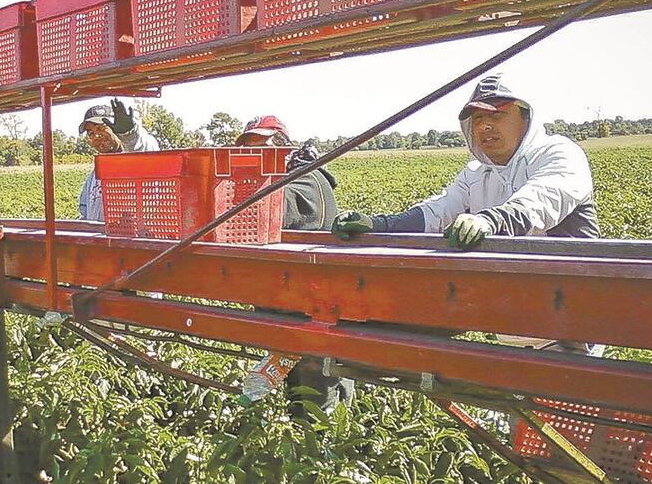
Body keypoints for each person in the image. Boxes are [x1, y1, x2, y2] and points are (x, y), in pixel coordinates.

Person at [332, 73, 600, 353]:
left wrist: (489, 220)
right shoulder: (476, 174)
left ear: (525, 118)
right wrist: (378, 225)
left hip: (570, 329)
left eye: (497, 116)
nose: (485, 126)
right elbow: (438, 212)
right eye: (477, 119)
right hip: (515, 325)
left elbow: (539, 202)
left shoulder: (558, 154)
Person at [235, 115, 354, 413]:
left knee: (320, 396)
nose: (253, 155)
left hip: (316, 312)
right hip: (289, 311)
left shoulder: (309, 180)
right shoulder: (276, 179)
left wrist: (229, 191)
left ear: (284, 148)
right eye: (248, 148)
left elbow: (277, 209)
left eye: (262, 146)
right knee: (298, 391)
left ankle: (330, 448)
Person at [78, 98, 159, 221]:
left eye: (101, 128)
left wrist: (128, 133)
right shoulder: (94, 176)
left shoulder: (135, 155)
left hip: (135, 237)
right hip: (101, 239)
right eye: (91, 133)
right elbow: (84, 213)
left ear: (115, 126)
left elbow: (145, 150)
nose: (97, 136)